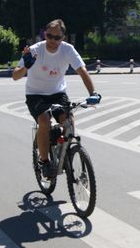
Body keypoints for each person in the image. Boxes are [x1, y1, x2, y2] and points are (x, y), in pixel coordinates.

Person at [12, 19, 100, 177]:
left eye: (57, 38)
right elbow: (15, 76)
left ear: (63, 38)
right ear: (45, 34)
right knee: (44, 121)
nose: (53, 40)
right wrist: (26, 66)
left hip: (58, 93)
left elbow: (82, 71)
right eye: (49, 36)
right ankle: (44, 161)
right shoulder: (34, 50)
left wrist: (93, 93)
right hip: (35, 94)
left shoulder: (68, 50)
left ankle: (64, 151)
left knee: (68, 121)